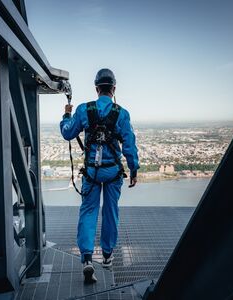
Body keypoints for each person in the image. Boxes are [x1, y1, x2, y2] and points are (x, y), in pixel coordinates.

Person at [60, 68, 139, 283]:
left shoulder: (84, 110)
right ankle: (107, 256)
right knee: (111, 211)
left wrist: (66, 114)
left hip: (92, 172)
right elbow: (130, 145)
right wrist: (133, 169)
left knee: (88, 211)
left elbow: (67, 132)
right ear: (113, 89)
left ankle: (86, 258)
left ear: (96, 89)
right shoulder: (122, 113)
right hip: (113, 171)